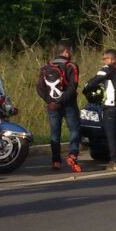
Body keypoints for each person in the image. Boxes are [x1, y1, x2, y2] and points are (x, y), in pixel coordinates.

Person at [83, 49, 116, 171]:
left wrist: (86, 89)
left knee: (111, 135)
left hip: (111, 107)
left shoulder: (108, 69)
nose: (104, 61)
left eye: (105, 59)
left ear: (111, 59)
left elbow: (94, 81)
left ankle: (114, 162)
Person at [37, 42, 82, 173]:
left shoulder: (45, 68)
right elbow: (73, 88)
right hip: (69, 104)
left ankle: (56, 161)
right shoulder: (71, 66)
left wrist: (49, 101)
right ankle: (72, 154)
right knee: (75, 129)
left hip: (52, 106)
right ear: (66, 52)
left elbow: (39, 88)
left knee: (55, 133)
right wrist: (60, 100)